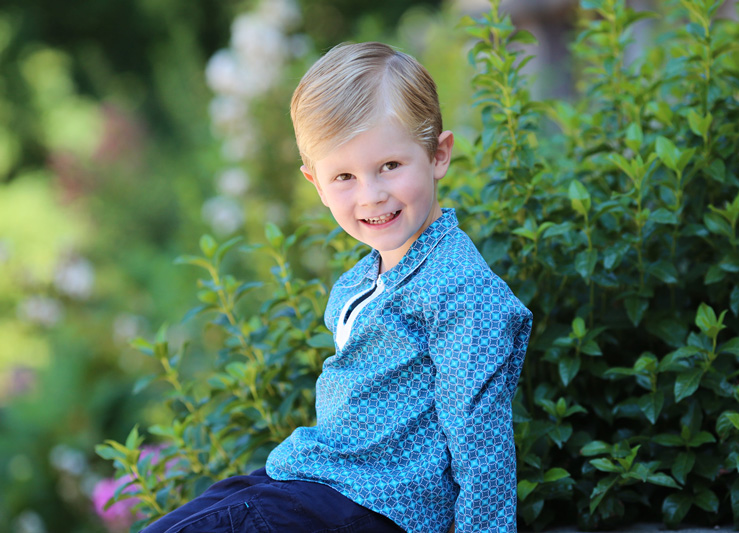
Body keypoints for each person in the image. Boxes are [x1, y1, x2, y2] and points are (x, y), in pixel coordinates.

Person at [141, 42, 532, 533]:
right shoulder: (366, 278)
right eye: (344, 176)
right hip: (316, 483)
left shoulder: (459, 289)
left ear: (438, 154)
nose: (372, 194)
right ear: (317, 184)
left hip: (370, 505)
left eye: (390, 165)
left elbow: (482, 444)